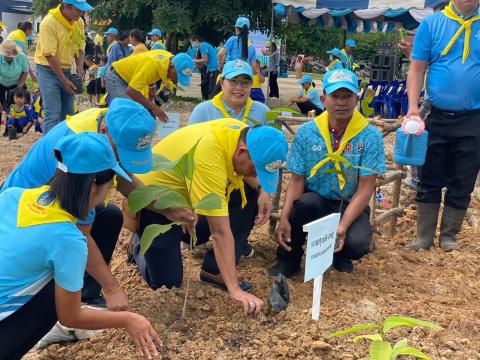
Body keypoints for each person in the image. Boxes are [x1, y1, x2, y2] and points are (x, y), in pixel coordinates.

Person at [0, 99, 191, 310]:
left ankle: (86, 294)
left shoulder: (109, 125)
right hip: (26, 218)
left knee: (110, 216)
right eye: (121, 153)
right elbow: (81, 235)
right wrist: (112, 288)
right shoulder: (81, 156)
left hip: (42, 204)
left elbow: (126, 179)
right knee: (84, 232)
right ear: (104, 130)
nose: (122, 161)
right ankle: (61, 299)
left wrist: (169, 209)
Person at [0, 132, 162, 360]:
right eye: (109, 185)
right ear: (94, 183)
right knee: (60, 294)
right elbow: (70, 316)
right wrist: (129, 319)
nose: (107, 193)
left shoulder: (12, 196)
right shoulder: (68, 239)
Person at [134, 118, 288, 315]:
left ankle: (215, 270)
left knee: (249, 193)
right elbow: (220, 233)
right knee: (167, 283)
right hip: (156, 204)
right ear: (242, 152)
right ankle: (138, 244)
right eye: (255, 170)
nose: (254, 174)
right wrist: (235, 290)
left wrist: (261, 190)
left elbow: (246, 170)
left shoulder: (242, 134)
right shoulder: (211, 153)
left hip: (189, 205)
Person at [269, 69, 386, 276]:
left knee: (357, 243)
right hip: (316, 200)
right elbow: (297, 180)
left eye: (347, 96)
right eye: (335, 96)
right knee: (304, 205)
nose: (341, 102)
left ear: (356, 99)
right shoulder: (307, 133)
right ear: (324, 99)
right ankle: (289, 258)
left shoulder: (370, 137)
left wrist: (342, 227)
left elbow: (365, 188)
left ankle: (339, 255)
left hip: (349, 204)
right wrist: (284, 217)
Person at [404, 0, 480, 252]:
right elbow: (416, 69)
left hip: (474, 117)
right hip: (434, 114)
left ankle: (449, 236)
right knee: (429, 175)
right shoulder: (432, 24)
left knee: (464, 178)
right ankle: (424, 237)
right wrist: (413, 107)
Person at [34, 0, 93, 134]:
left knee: (68, 114)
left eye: (83, 10)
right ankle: (49, 149)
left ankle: (65, 146)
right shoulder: (49, 23)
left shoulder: (79, 22)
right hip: (47, 71)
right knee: (52, 113)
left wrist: (79, 68)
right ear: (66, 7)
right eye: (79, 10)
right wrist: (64, 81)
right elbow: (50, 56)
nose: (82, 13)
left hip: (66, 70)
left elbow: (80, 47)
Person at [104, 50, 195, 122]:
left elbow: (155, 72)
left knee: (140, 110)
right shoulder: (152, 65)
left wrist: (151, 88)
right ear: (172, 66)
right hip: (116, 77)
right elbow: (131, 91)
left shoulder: (167, 59)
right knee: (128, 112)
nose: (177, 80)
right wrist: (154, 107)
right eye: (178, 76)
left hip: (129, 78)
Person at [188, 60, 270, 127]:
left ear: (251, 85)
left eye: (245, 83)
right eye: (233, 81)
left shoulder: (263, 112)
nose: (239, 87)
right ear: (222, 83)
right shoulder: (203, 111)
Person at [0, 40, 28, 108]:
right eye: (6, 55)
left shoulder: (22, 56)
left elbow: (25, 72)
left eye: (12, 55)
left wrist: (19, 87)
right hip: (1, 82)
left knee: (17, 103)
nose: (9, 57)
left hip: (17, 82)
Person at [189, 34, 219, 100]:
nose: (192, 45)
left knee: (211, 88)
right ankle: (206, 100)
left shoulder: (202, 45)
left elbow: (205, 59)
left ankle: (210, 103)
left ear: (196, 40)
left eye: (192, 42)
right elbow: (202, 63)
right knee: (205, 85)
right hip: (210, 69)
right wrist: (192, 69)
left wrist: (193, 60)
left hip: (214, 68)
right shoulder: (202, 46)